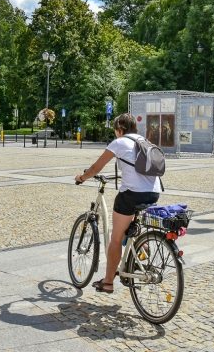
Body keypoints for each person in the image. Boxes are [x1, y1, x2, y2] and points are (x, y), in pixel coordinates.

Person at [75, 112, 161, 293]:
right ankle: (140, 247)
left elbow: (96, 167)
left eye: (115, 130)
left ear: (120, 129)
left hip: (132, 195)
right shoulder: (143, 141)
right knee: (128, 228)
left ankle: (107, 282)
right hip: (154, 193)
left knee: (115, 238)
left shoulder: (120, 142)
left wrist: (82, 177)